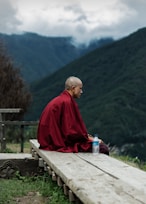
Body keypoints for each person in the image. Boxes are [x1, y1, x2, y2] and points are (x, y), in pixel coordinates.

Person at [37, 76, 109, 155]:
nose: (81, 92)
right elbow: (70, 132)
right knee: (102, 148)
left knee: (98, 146)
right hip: (55, 143)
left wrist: (87, 137)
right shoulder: (66, 102)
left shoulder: (61, 99)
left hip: (48, 141)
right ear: (73, 88)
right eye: (80, 88)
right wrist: (89, 139)